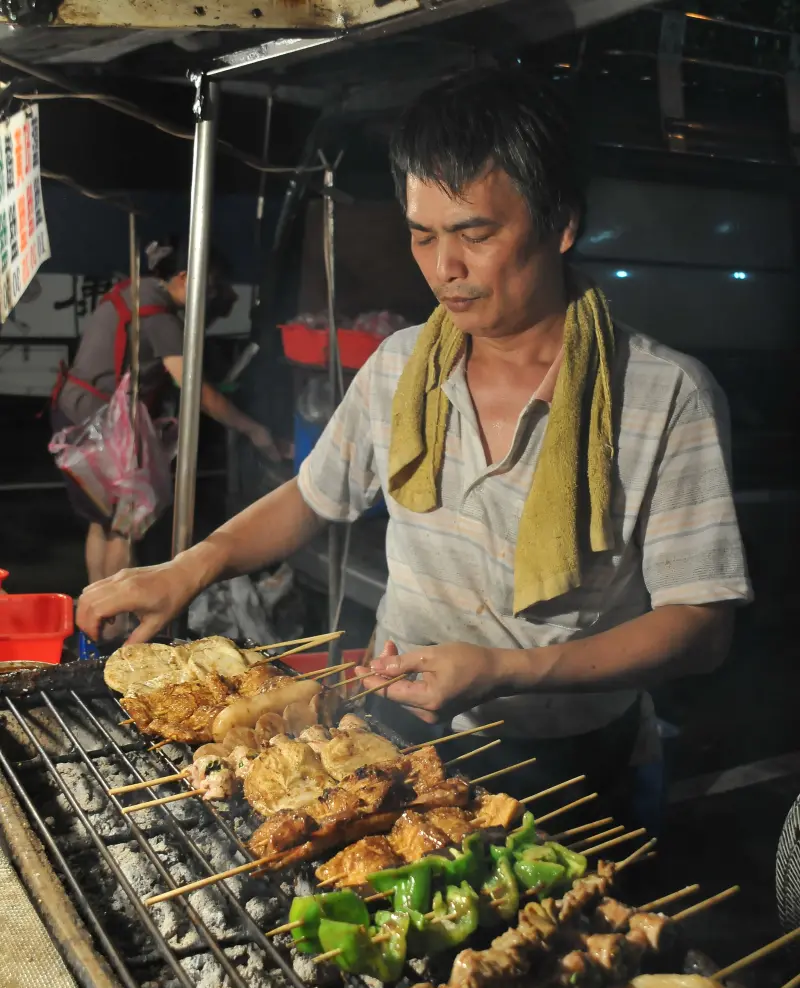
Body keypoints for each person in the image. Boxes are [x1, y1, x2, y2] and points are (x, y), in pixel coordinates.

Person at [77, 71, 751, 801]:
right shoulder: (402, 365)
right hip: (394, 736)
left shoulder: (664, 395)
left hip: (572, 761)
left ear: (561, 222)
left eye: (474, 234)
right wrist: (189, 568)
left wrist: (504, 670)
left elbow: (701, 623)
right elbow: (312, 496)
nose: (443, 269)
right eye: (422, 236)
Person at [51, 237, 279, 588]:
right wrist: (252, 429)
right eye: (211, 286)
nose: (212, 295)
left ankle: (95, 618)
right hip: (102, 427)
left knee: (102, 522)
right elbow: (199, 393)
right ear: (186, 277)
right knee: (125, 529)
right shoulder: (158, 318)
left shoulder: (135, 290)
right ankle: (117, 627)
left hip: (73, 414)